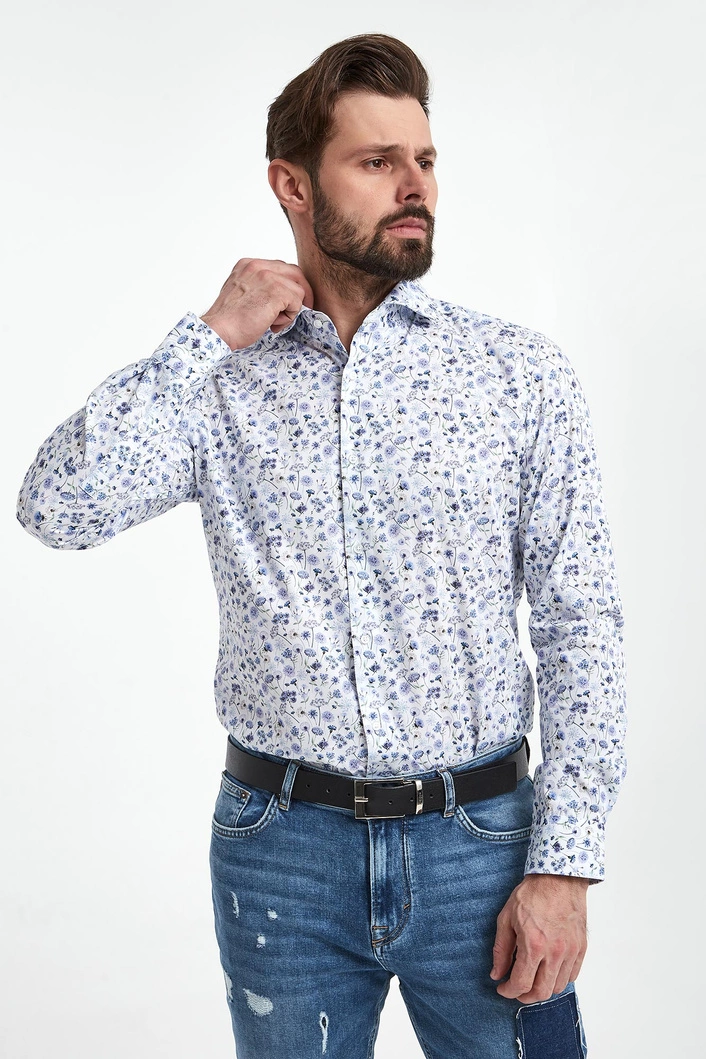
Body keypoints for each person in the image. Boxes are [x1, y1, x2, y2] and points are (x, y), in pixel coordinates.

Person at [17, 32, 626, 1059]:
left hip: (482, 847)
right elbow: (55, 507)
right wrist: (208, 333)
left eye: (423, 159)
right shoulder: (221, 382)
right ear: (292, 186)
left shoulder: (518, 375)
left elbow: (582, 628)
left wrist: (563, 866)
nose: (414, 185)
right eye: (377, 161)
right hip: (280, 855)